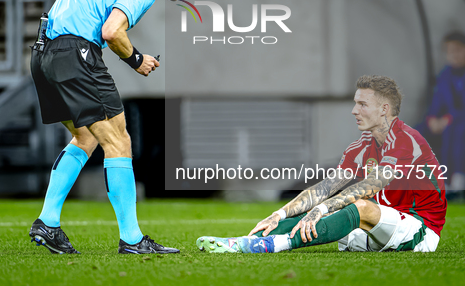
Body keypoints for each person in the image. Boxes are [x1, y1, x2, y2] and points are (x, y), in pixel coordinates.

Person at [29, 0, 201, 254]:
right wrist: (137, 60)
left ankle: (48, 222)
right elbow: (111, 31)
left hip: (44, 54)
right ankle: (132, 240)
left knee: (86, 137)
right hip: (74, 52)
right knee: (119, 140)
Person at [197, 75, 446, 253]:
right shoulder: (359, 146)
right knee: (320, 211)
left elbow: (370, 186)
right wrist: (280, 213)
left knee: (358, 207)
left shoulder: (406, 140)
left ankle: (274, 245)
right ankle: (240, 243)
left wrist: (323, 209)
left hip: (420, 229)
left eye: (362, 104)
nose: (353, 110)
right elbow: (326, 188)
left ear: (384, 109)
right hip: (381, 229)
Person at [425, 31, 465, 192]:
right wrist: (432, 119)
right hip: (448, 122)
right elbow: (437, 102)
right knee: (414, 132)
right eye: (449, 51)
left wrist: (449, 118)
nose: (452, 55)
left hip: (457, 123)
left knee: (457, 130)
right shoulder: (445, 75)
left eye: (457, 50)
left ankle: (457, 178)